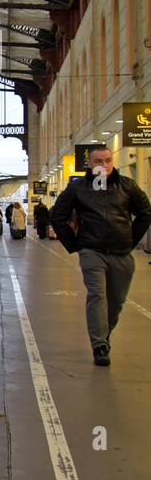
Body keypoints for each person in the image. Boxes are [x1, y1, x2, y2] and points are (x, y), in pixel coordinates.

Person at [50, 146, 151, 366]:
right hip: (92, 251)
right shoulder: (78, 188)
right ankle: (99, 346)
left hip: (122, 253)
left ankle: (104, 334)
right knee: (97, 295)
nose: (103, 165)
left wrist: (131, 240)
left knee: (116, 301)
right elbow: (57, 215)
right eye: (98, 161)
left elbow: (145, 212)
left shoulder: (127, 186)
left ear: (112, 162)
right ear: (89, 163)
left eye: (107, 161)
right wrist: (75, 244)